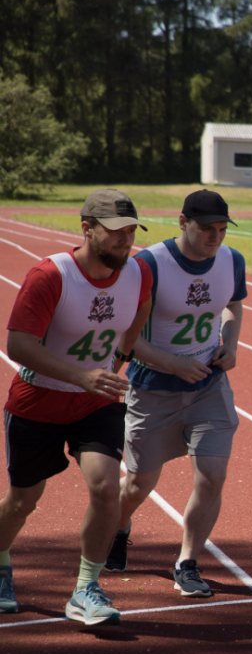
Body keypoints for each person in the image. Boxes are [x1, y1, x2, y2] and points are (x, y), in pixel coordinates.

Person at [0, 189, 153, 624]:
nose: (127, 240)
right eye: (117, 232)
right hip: (37, 401)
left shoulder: (139, 273)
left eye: (132, 232)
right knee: (22, 500)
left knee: (107, 487)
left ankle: (87, 587)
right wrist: (80, 375)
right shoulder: (50, 276)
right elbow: (18, 345)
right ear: (87, 229)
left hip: (95, 402)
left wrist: (117, 361)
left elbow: (138, 311)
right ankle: (0, 562)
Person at [108, 191, 246, 598]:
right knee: (138, 483)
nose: (215, 238)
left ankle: (187, 561)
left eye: (221, 230)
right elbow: (123, 335)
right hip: (154, 388)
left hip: (208, 385)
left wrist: (231, 343)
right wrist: (172, 363)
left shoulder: (231, 260)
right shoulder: (148, 264)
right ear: (182, 221)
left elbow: (233, 305)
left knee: (212, 476)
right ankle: (118, 526)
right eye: (206, 229)